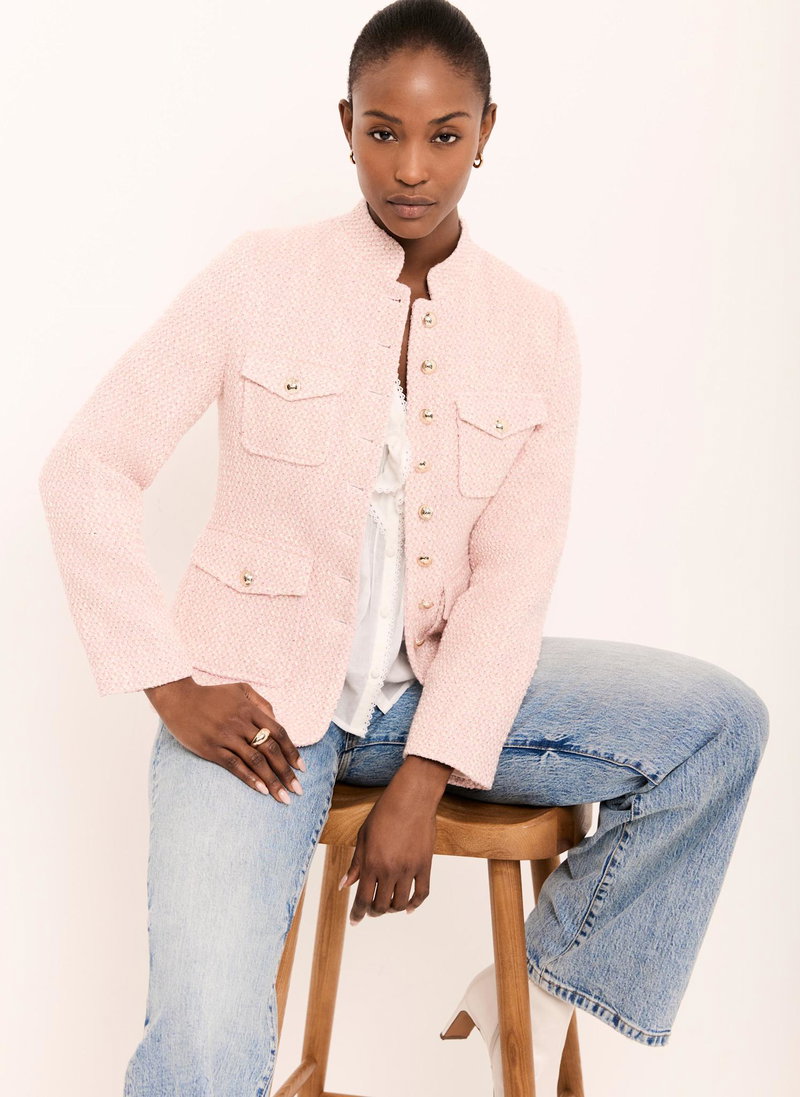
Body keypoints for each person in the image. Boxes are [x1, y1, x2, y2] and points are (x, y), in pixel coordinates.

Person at [38, 2, 770, 1094]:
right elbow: (87, 466)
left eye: (444, 135)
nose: (412, 168)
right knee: (201, 1042)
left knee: (719, 725)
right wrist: (170, 683)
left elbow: (512, 580)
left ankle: (543, 983)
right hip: (257, 714)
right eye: (383, 132)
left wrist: (424, 779)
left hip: (436, 690)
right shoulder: (255, 276)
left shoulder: (535, 327)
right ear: (346, 126)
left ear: (486, 130)